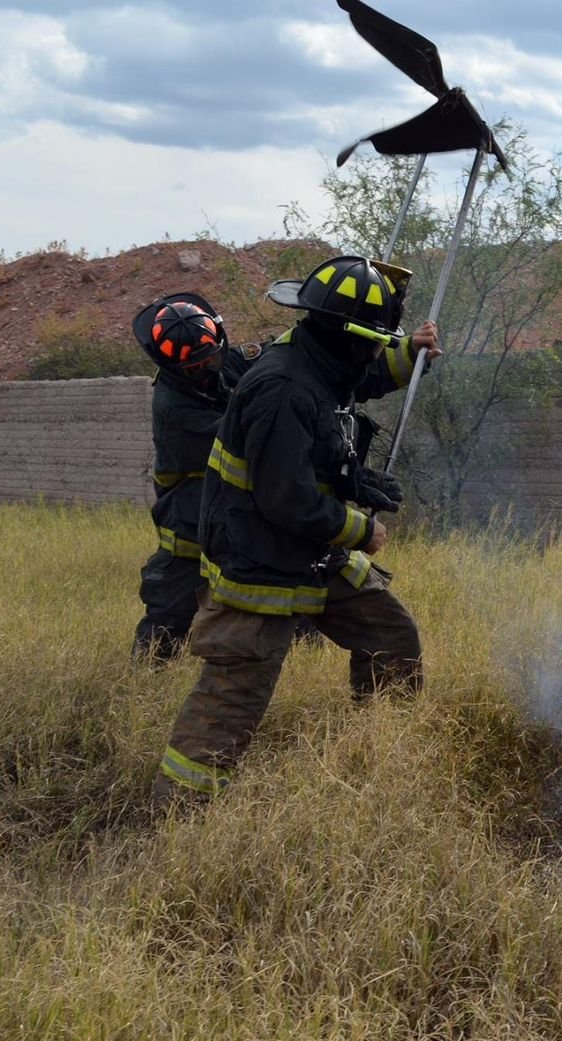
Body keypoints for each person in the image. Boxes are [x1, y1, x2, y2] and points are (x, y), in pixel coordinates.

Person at [151, 256, 440, 808]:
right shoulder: (283, 388)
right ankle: (179, 810)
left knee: (390, 637)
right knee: (237, 690)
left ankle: (381, 755)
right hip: (260, 559)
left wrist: (411, 353)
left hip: (308, 553)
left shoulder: (320, 363)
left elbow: (359, 387)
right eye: (375, 340)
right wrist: (360, 529)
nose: (377, 350)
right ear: (345, 336)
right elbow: (285, 498)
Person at [129, 293, 260, 663]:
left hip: (235, 511)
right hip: (188, 519)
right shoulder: (173, 407)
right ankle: (146, 679)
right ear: (171, 368)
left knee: (286, 592)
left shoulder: (226, 362)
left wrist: (402, 352)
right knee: (170, 612)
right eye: (193, 369)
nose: (208, 371)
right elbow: (241, 436)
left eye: (213, 359)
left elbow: (289, 353)